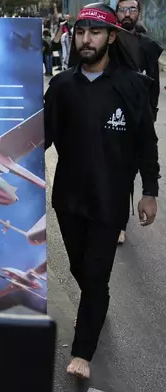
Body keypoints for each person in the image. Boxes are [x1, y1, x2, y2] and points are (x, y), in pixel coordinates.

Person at [44, 3, 159, 380]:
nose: (85, 39)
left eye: (94, 32)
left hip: (110, 200)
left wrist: (149, 191)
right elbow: (42, 139)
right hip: (68, 198)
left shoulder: (132, 85)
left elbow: (146, 141)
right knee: (80, 268)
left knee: (96, 274)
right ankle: (95, 302)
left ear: (111, 37)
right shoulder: (61, 87)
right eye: (80, 32)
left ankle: (83, 352)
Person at [115, 0, 163, 244]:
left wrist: (149, 117)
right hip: (111, 119)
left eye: (132, 9)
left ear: (138, 14)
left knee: (128, 173)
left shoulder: (147, 47)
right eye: (123, 9)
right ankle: (114, 221)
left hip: (137, 120)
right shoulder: (109, 41)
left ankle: (120, 223)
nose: (127, 13)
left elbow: (152, 86)